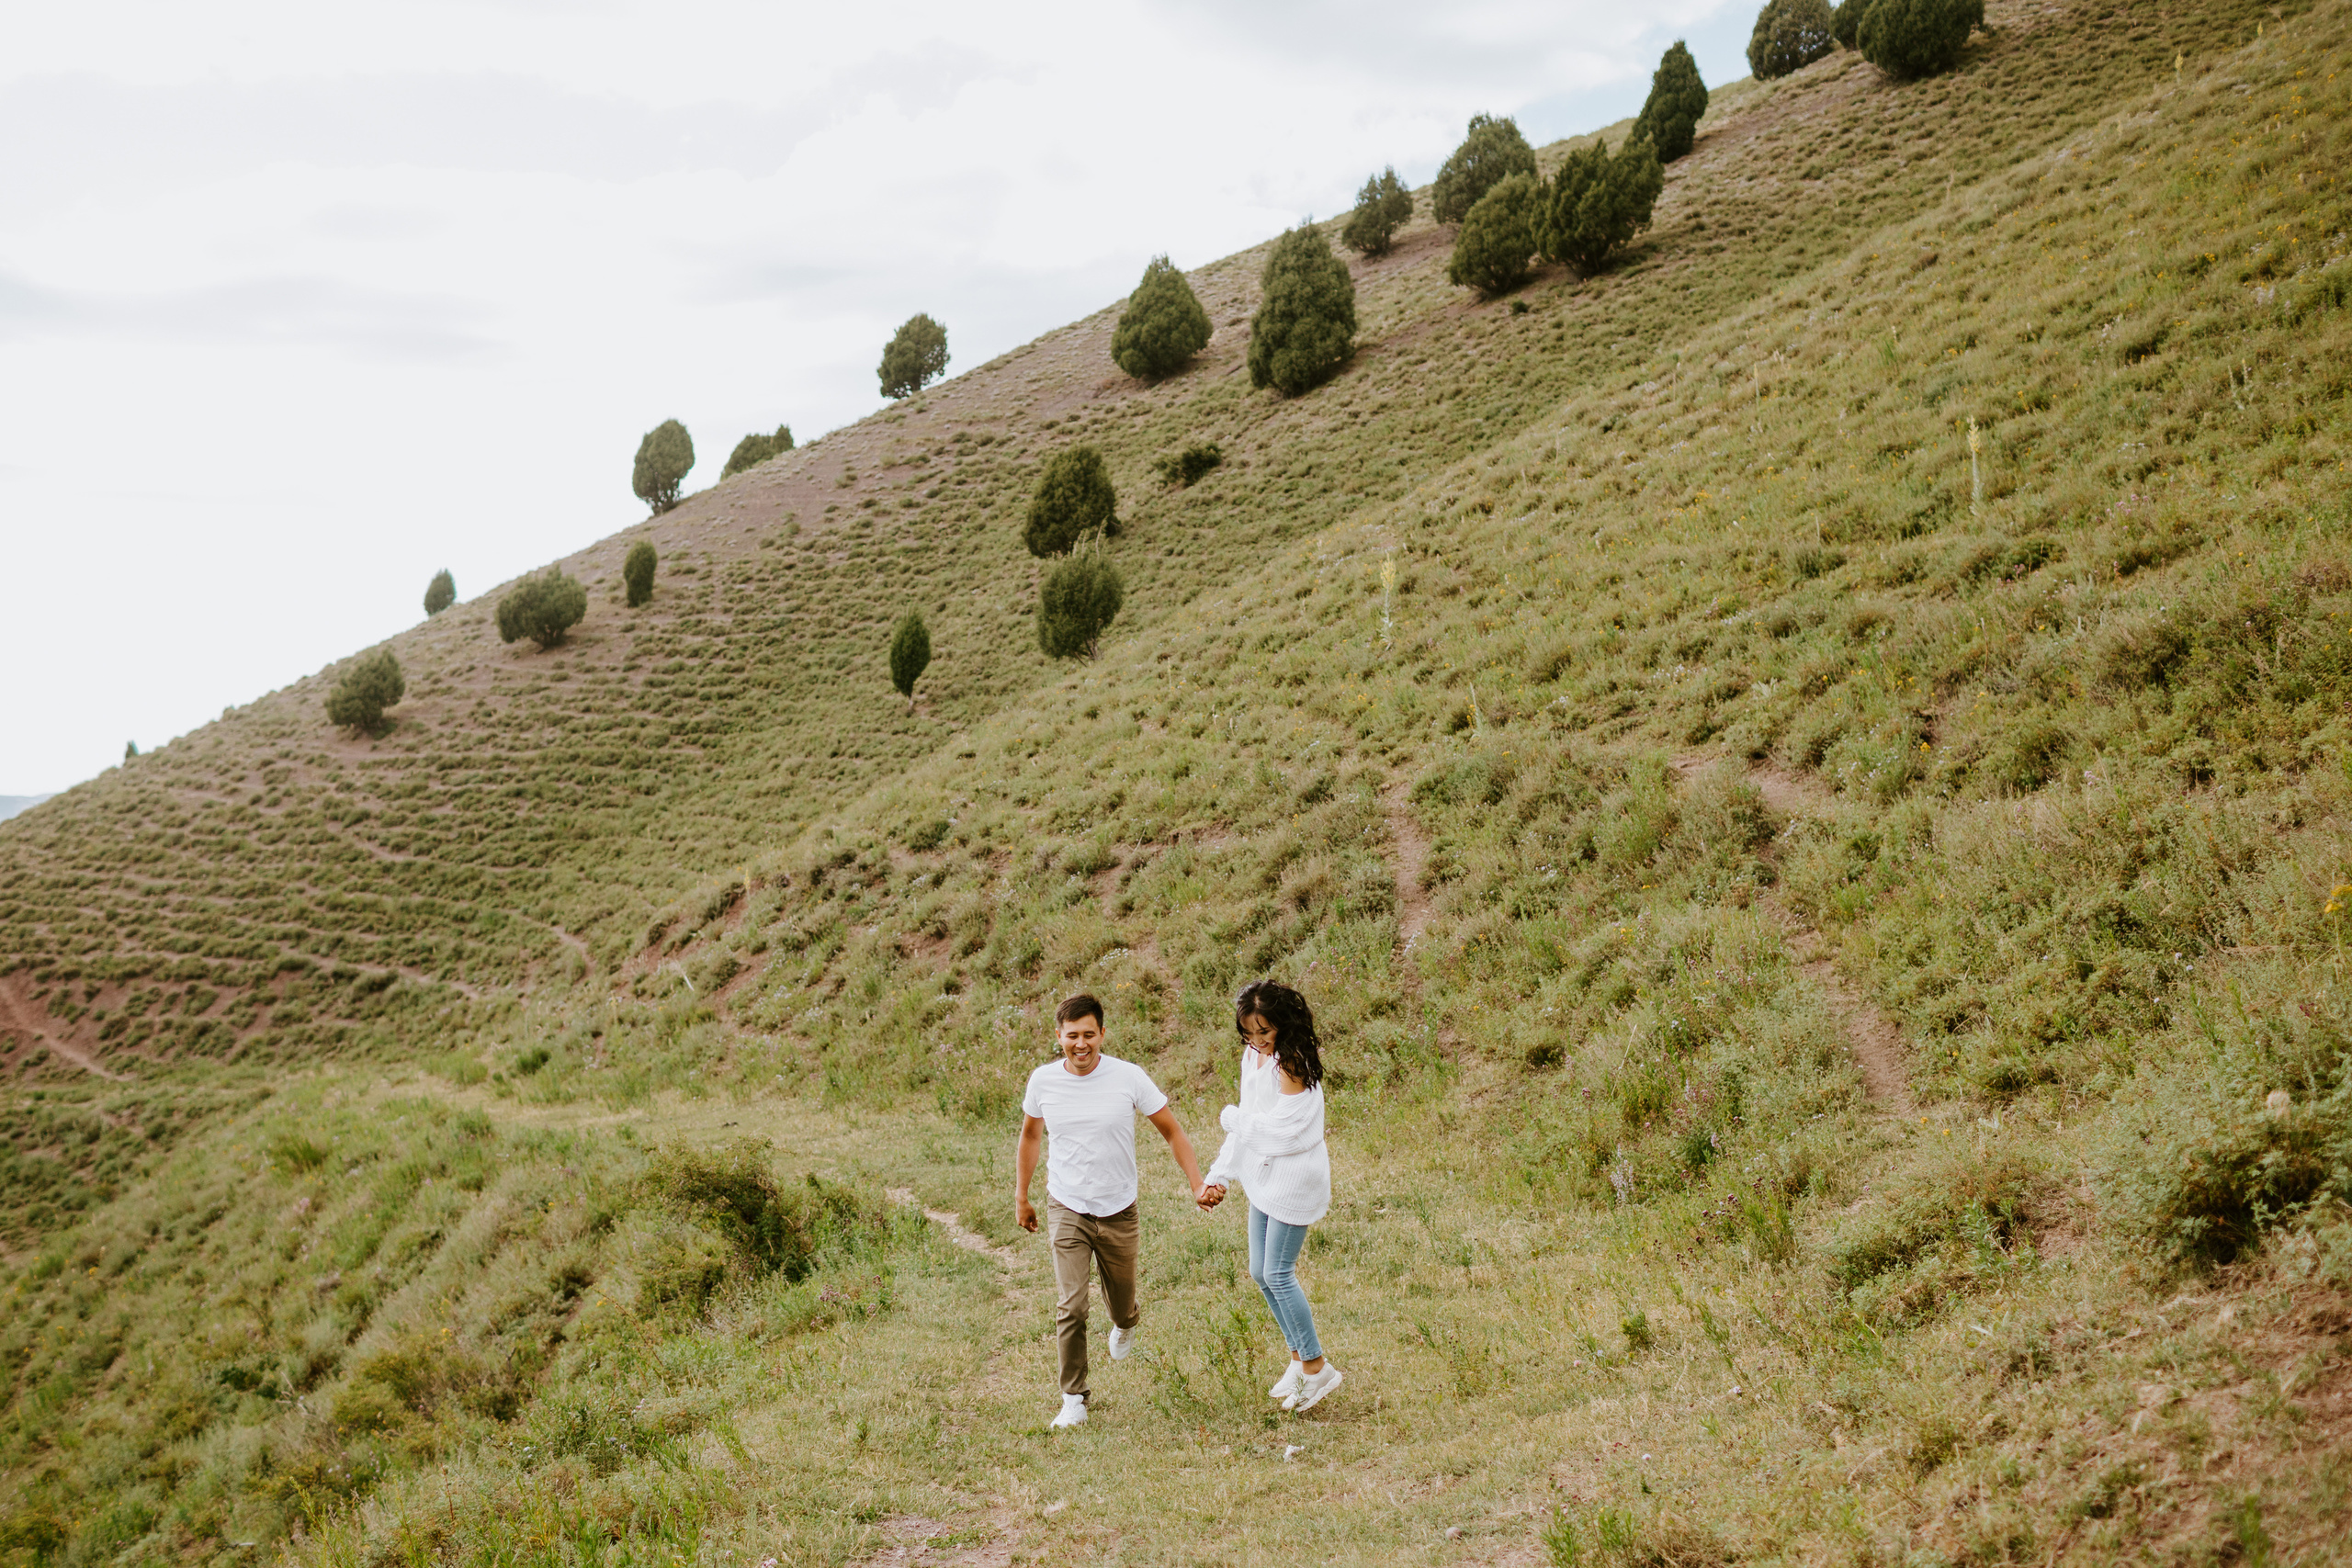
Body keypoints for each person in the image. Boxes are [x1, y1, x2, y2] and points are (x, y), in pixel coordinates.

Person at [1016, 993, 1209, 1429]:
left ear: (1103, 1034)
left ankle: (1125, 1322)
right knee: (1072, 1305)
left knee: (1121, 1305)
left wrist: (1197, 1183)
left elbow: (1173, 1131)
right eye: (1071, 1036)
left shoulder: (1129, 1077)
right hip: (1067, 1204)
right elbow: (1030, 1137)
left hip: (1119, 1208)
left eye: (1089, 1035)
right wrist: (1021, 1196)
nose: (1080, 1044)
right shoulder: (1043, 1081)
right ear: (1058, 1037)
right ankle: (1073, 1398)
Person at [1197, 979, 1341, 1413]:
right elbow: (1249, 1121)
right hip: (1264, 1174)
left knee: (1279, 1273)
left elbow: (1285, 1132)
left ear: (1284, 1024)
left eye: (1265, 1032)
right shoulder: (1254, 1057)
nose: (1258, 1041)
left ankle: (1319, 1369)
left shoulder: (1292, 1063)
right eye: (1250, 1033)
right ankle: (1298, 1360)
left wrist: (1233, 1120)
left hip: (1295, 1176)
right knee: (1259, 1273)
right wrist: (1218, 1174)